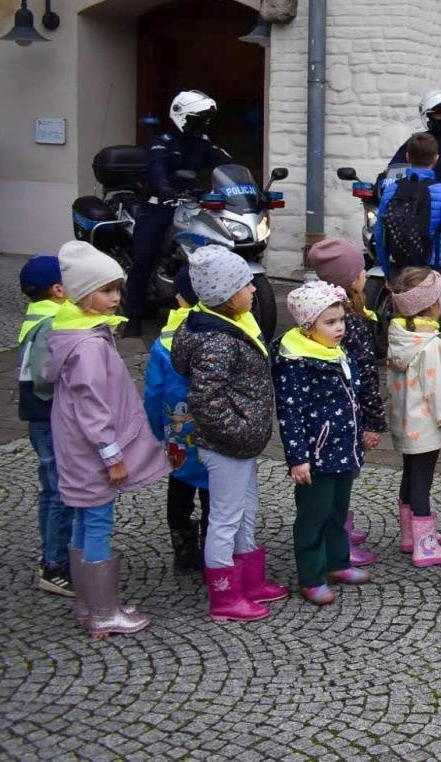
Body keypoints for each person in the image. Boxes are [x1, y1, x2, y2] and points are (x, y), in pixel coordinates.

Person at [46, 242, 169, 638]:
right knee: (97, 522)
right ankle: (103, 612)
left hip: (79, 451)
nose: (115, 298)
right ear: (82, 294)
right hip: (91, 453)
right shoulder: (87, 347)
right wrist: (112, 455)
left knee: (84, 521)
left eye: (118, 289)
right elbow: (93, 407)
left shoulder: (79, 334)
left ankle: (89, 604)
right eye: (106, 291)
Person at [173, 246, 286, 622]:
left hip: (242, 443)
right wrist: (240, 432)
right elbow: (205, 400)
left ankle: (250, 580)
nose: (254, 289)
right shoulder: (217, 340)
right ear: (226, 294)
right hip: (228, 445)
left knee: (245, 509)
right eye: (245, 284)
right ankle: (224, 595)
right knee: (224, 517)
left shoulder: (232, 324)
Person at [274, 282, 370, 606]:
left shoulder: (337, 352)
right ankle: (311, 575)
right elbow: (290, 412)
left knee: (337, 511)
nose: (339, 327)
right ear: (308, 325)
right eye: (330, 322)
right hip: (316, 456)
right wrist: (298, 458)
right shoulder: (298, 361)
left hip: (343, 451)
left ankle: (337, 562)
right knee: (313, 515)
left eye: (341, 320)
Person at [125, 90, 233, 336]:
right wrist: (163, 188)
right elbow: (156, 167)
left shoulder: (202, 141)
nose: (204, 123)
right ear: (183, 116)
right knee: (144, 256)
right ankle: (133, 317)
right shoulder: (162, 140)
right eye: (199, 117)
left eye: (205, 118)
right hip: (159, 205)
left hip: (191, 204)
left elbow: (225, 163)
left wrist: (244, 184)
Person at [308, 238, 387, 565]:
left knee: (343, 475)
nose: (365, 275)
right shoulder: (350, 323)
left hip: (333, 411)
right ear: (350, 278)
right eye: (361, 270)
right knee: (343, 474)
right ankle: (336, 536)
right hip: (348, 411)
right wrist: (374, 421)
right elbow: (367, 373)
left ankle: (341, 526)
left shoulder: (331, 314)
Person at [384, 267, 441, 568]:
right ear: (432, 305)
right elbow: (437, 391)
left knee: (409, 476)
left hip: (404, 422)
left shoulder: (399, 335)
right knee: (422, 484)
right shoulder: (431, 344)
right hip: (425, 426)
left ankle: (409, 535)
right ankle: (424, 545)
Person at [143, 268, 208, 572]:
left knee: (179, 488)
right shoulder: (219, 332)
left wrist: (159, 431)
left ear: (180, 298)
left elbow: (154, 392)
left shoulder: (165, 340)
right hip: (214, 436)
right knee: (214, 495)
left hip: (178, 434)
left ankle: (184, 549)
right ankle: (215, 551)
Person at [17, 255, 74, 597]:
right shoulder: (54, 322)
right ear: (58, 290)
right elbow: (44, 377)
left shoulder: (37, 315)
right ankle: (54, 564)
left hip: (40, 416)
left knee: (51, 488)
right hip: (48, 415)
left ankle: (53, 555)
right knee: (59, 490)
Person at [376, 131, 441, 277]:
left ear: (407, 157)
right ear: (436, 159)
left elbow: (380, 235)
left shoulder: (391, 190)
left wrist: (387, 272)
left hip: (400, 269)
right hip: (434, 271)